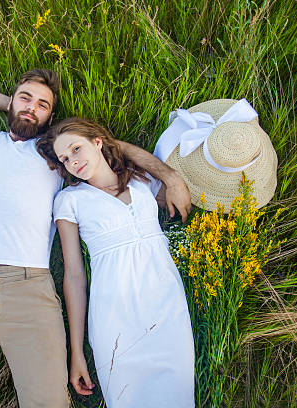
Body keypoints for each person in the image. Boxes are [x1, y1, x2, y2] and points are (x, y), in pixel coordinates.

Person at [0, 69, 192, 408]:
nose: (32, 107)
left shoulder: (53, 156)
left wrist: (169, 177)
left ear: (51, 118)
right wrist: (16, 105)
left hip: (28, 288)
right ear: (12, 99)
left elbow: (111, 147)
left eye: (43, 105)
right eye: (26, 98)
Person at [36, 118, 195, 408]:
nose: (73, 162)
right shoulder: (70, 200)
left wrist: (173, 178)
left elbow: (145, 162)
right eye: (65, 159)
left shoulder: (142, 182)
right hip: (115, 317)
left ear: (97, 142)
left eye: (76, 149)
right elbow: (73, 276)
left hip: (168, 308)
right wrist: (77, 353)